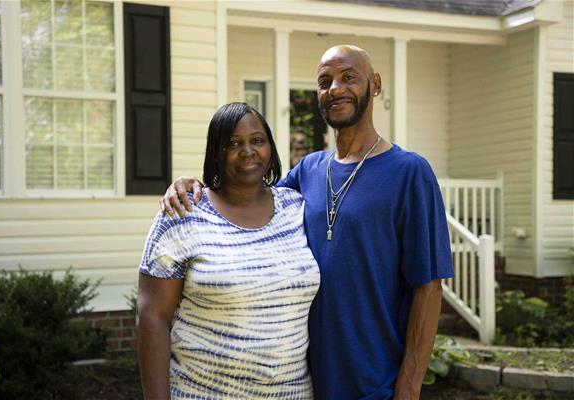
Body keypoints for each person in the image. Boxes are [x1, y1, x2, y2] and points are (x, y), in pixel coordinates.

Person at [162, 45, 454, 400]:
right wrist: (195, 186)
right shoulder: (309, 170)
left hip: (377, 382)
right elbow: (248, 197)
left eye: (349, 77)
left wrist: (408, 388)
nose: (336, 88)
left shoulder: (409, 172)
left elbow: (429, 289)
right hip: (307, 383)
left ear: (375, 85)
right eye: (325, 81)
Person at [137, 102, 320, 399]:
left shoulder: (297, 207)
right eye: (233, 143)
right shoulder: (183, 214)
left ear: (270, 148)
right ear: (216, 152)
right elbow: (152, 317)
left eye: (257, 140)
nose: (247, 151)